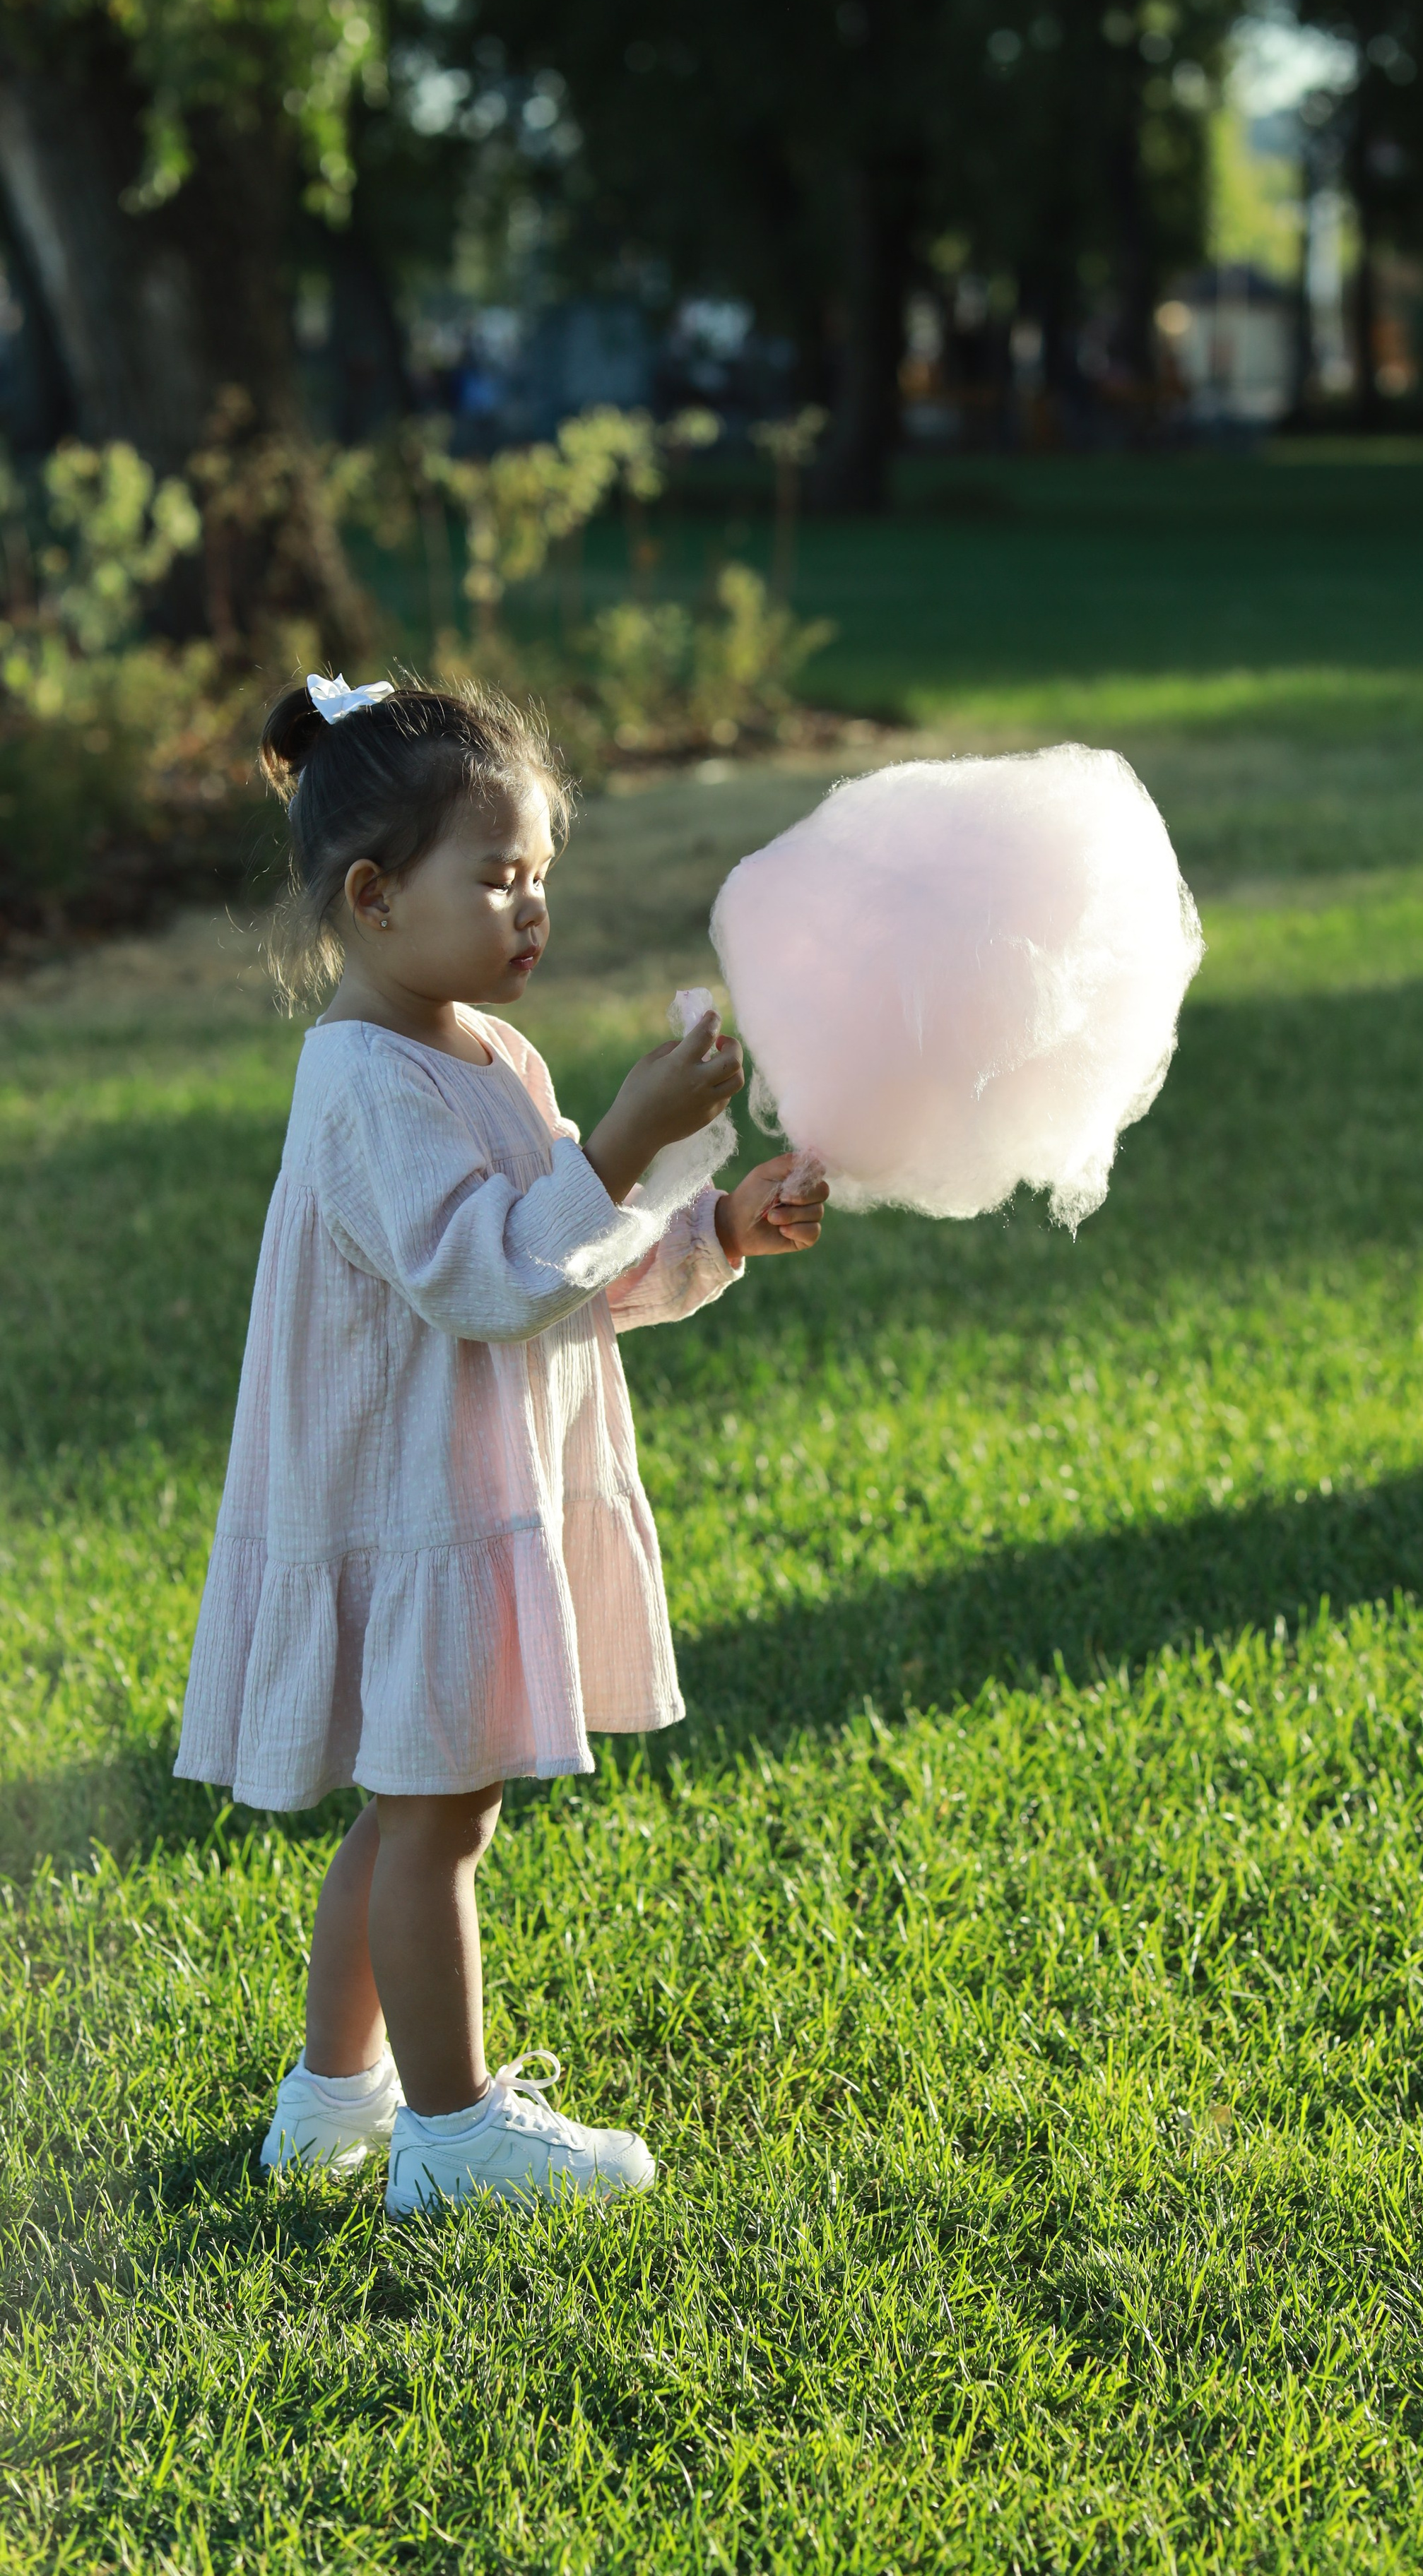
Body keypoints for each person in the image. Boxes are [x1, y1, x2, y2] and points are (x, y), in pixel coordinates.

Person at [175, 672, 825, 2214]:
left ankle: (333, 2102)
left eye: (542, 876)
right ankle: (454, 2136)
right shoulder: (359, 1081)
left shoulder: (488, 1053)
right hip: (413, 1510)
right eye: (499, 879)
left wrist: (716, 1222)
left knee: (414, 1803)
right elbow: (483, 1276)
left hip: (471, 1494)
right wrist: (617, 1140)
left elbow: (568, 1272)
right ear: (375, 897)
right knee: (437, 1819)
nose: (532, 910)